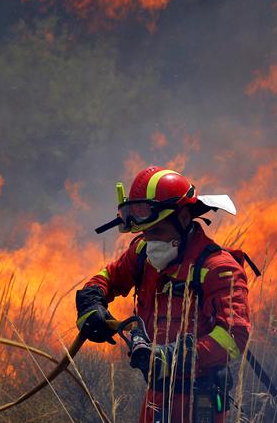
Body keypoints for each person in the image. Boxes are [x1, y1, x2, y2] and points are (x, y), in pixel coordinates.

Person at [77, 166, 253, 423]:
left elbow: (233, 336)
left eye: (157, 231)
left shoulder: (218, 268)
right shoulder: (142, 253)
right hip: (155, 395)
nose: (150, 241)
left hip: (197, 401)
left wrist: (170, 357)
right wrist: (91, 303)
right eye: (145, 233)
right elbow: (108, 277)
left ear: (183, 218)